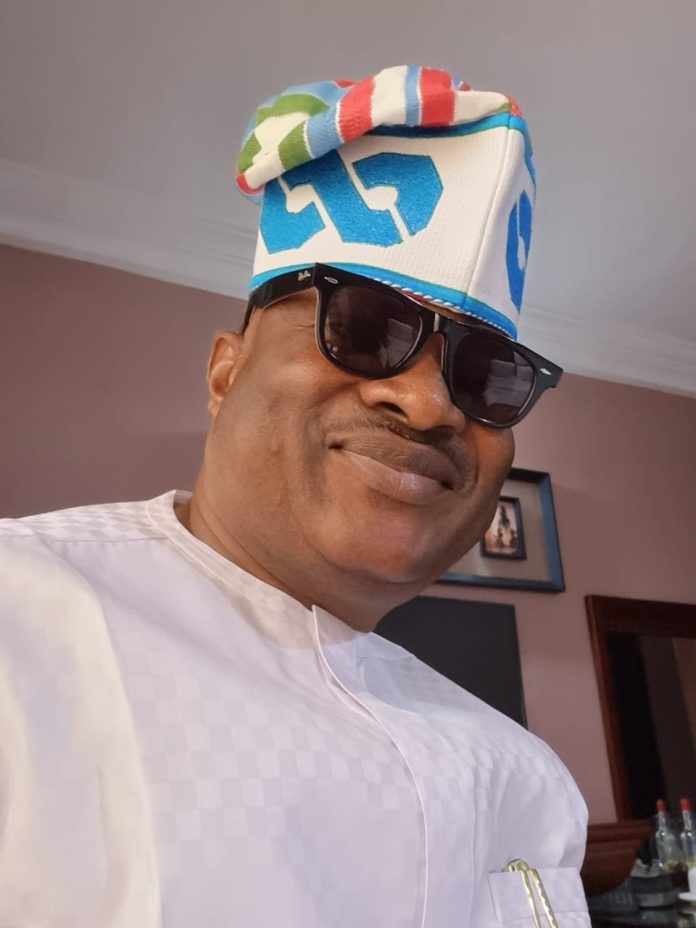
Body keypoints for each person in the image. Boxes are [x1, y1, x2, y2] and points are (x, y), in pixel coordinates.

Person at [0, 66, 589, 927]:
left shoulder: (527, 779)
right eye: (362, 327)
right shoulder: (19, 621)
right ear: (225, 372)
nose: (430, 405)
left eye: (487, 374)